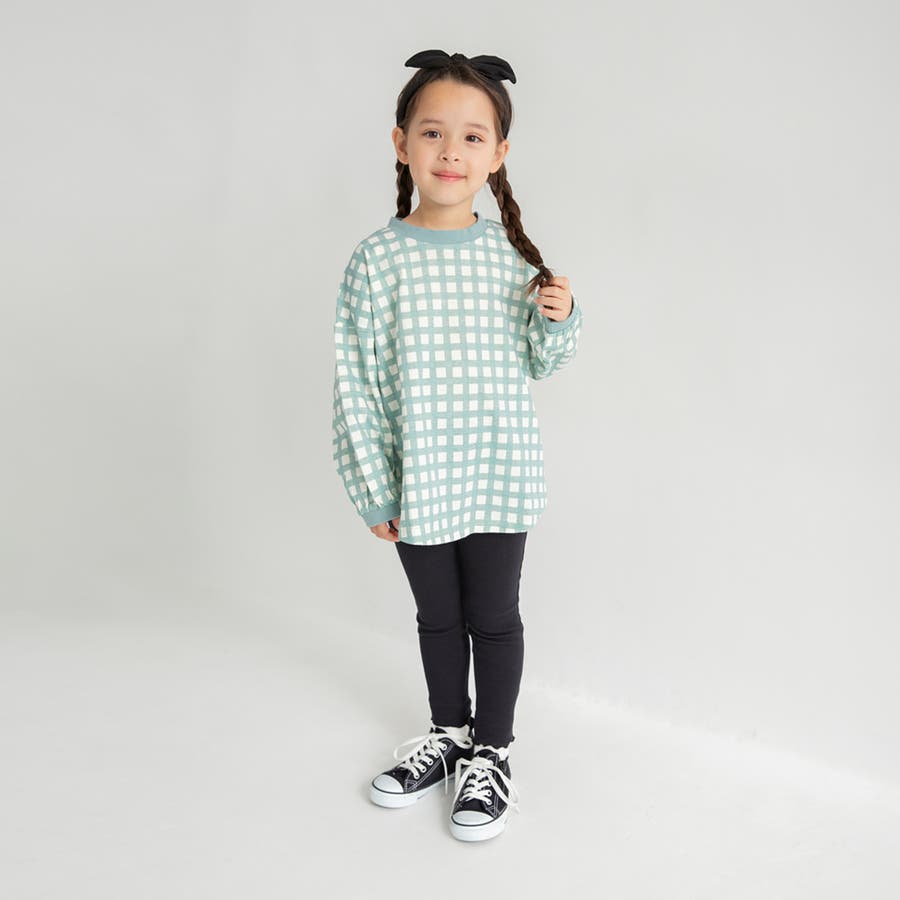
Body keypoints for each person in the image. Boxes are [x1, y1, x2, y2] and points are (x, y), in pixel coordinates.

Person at [331, 49, 584, 842]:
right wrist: (374, 487)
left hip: (499, 475)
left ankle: (492, 751)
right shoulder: (377, 260)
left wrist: (559, 318)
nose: (451, 151)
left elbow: (541, 361)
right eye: (433, 132)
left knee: (494, 617)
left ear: (498, 154)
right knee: (437, 616)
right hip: (420, 482)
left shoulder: (512, 257)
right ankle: (448, 735)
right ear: (401, 142)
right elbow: (355, 382)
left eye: (472, 136)